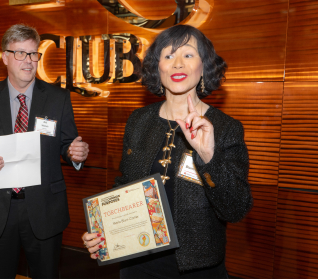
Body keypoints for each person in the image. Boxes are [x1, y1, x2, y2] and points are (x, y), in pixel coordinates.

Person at [82, 24, 253, 278]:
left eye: (188, 54)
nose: (177, 64)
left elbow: (236, 209)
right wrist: (102, 230)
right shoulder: (138, 120)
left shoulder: (225, 128)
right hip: (137, 263)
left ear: (204, 65)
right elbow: (124, 187)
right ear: (157, 67)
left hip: (197, 267)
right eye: (168, 55)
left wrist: (208, 157)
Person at [0, 24, 89, 279]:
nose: (29, 61)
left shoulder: (58, 98)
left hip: (45, 209)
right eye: (20, 53)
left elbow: (66, 143)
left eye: (33, 54)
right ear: (5, 57)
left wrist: (75, 153)